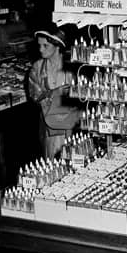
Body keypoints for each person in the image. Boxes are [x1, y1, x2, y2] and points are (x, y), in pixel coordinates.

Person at [28, 24, 79, 158]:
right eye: (39, 45)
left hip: (72, 125)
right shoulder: (37, 68)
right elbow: (35, 95)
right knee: (53, 162)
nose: (40, 49)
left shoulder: (71, 66)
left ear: (57, 46)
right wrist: (53, 92)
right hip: (50, 126)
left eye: (45, 46)